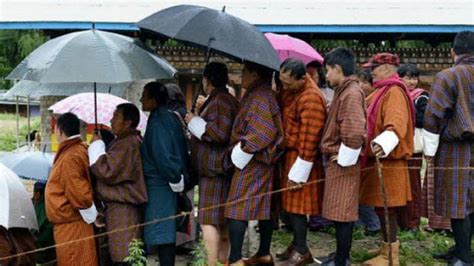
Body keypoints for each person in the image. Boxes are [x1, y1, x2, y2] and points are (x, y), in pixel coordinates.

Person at [224, 62, 284, 266]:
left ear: (255, 74)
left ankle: (235, 259)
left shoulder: (260, 96)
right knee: (264, 206)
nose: (241, 77)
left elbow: (263, 132)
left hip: (253, 160)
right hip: (260, 160)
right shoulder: (261, 94)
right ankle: (264, 253)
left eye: (244, 73)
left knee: (236, 207)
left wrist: (243, 150)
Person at [423, 31, 474, 265]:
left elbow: (433, 115)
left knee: (458, 202)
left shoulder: (448, 76)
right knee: (471, 201)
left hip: (457, 148)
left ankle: (464, 257)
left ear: (453, 52)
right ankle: (461, 249)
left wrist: (429, 150)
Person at [359, 53, 414, 266]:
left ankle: (391, 256)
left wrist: (381, 144)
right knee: (381, 207)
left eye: (374, 67)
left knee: (387, 208)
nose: (371, 71)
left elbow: (396, 124)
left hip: (389, 160)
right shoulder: (381, 92)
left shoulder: (394, 92)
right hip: (378, 160)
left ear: (386, 68)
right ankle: (385, 246)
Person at [185, 62, 239, 265]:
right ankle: (223, 261)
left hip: (215, 169)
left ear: (208, 80)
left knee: (208, 221)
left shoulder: (220, 101)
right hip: (220, 168)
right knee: (222, 221)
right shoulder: (224, 99)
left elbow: (219, 133)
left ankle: (211, 262)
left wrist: (194, 121)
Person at [318, 48, 366, 266]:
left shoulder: (351, 93)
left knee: (342, 213)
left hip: (343, 161)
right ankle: (339, 255)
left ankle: (342, 260)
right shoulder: (343, 91)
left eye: (328, 71)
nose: (326, 76)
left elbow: (355, 132)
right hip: (338, 157)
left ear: (337, 69)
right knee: (338, 212)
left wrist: (344, 157)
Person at [277, 58, 326, 265]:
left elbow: (310, 138)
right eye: (282, 82)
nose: (284, 86)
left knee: (298, 207)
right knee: (289, 206)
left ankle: (303, 250)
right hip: (289, 155)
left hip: (302, 158)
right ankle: (297, 243)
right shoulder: (292, 91)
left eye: (287, 83)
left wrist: (300, 169)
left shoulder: (311, 98)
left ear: (302, 78)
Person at [88, 103, 147, 265]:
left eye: (115, 117)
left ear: (127, 123)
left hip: (124, 209)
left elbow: (106, 170)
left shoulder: (128, 143)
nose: (111, 121)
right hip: (117, 208)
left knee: (124, 255)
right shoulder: (123, 141)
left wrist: (96, 145)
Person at [140, 81, 188, 266]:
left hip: (161, 183)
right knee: (163, 231)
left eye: (144, 96)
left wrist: (175, 178)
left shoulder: (160, 121)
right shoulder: (164, 116)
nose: (141, 99)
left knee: (163, 232)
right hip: (163, 181)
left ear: (153, 100)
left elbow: (163, 155)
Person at [45, 112, 98, 266]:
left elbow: (80, 194)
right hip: (71, 223)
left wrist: (92, 215)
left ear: (59, 131)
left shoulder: (70, 156)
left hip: (73, 226)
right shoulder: (76, 149)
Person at [396, 63, 428, 233]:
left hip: (413, 148)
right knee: (400, 186)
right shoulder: (397, 95)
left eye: (414, 77)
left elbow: (424, 120)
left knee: (413, 186)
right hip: (399, 148)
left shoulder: (421, 97)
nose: (412, 82)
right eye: (408, 77)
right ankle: (402, 221)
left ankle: (413, 223)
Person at [32, 181, 56, 264]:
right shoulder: (50, 203)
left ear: (38, 193)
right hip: (50, 247)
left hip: (43, 250)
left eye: (34, 192)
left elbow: (36, 228)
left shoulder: (42, 207)